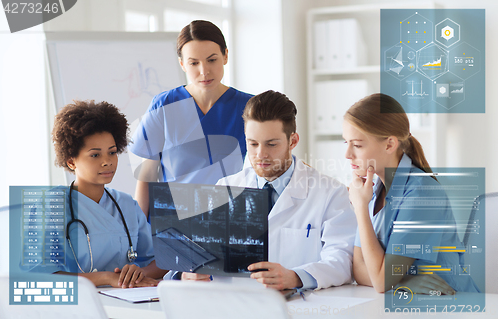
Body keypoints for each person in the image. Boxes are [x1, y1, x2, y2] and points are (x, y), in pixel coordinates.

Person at [181, 90, 357, 290]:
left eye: (271, 144)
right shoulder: (225, 188)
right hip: (234, 304)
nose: (260, 154)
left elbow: (342, 260)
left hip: (297, 307)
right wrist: (190, 272)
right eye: (253, 144)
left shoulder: (331, 193)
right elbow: (198, 254)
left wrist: (296, 277)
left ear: (293, 141)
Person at [343, 93, 480, 294]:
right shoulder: (371, 190)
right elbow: (360, 269)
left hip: (450, 304)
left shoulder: (422, 193)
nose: (348, 154)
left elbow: (380, 282)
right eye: (345, 143)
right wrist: (403, 282)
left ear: (389, 144)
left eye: (357, 145)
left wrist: (361, 208)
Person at [130, 20, 253, 217]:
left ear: (225, 56)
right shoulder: (164, 105)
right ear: (182, 64)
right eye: (194, 63)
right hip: (173, 223)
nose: (204, 71)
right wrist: (138, 232)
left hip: (228, 219)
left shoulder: (249, 108)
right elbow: (147, 175)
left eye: (211, 60)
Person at [51, 100, 166, 288]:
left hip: (128, 303)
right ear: (71, 161)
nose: (107, 162)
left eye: (112, 152)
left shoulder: (127, 205)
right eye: (95, 155)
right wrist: (105, 278)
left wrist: (138, 273)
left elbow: (161, 260)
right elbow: (40, 276)